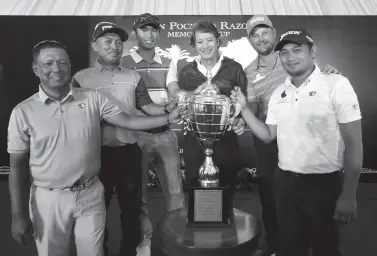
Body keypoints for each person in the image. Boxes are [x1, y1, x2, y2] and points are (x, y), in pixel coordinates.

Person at [8, 40, 182, 256]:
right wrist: (18, 215)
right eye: (48, 63)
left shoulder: (92, 98)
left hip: (90, 194)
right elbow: (17, 168)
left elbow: (127, 120)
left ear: (69, 66)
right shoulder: (22, 112)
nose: (56, 69)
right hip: (48, 199)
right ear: (36, 69)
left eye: (62, 63)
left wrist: (168, 118)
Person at [232, 28, 363, 256]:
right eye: (284, 53)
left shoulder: (337, 84)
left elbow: (354, 144)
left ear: (313, 51)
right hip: (285, 185)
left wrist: (349, 194)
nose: (290, 57)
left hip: (324, 185)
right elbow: (266, 135)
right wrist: (243, 108)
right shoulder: (279, 92)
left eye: (297, 50)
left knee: (326, 248)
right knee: (291, 247)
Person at [71, 21, 180, 256]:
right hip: (96, 156)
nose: (114, 46)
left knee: (131, 211)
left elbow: (147, 106)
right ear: (95, 45)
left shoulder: (132, 76)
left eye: (119, 42)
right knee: (96, 210)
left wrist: (169, 111)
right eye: (107, 42)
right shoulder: (80, 79)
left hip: (130, 152)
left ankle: (129, 251)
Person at [167, 20, 247, 216]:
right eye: (200, 42)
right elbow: (181, 101)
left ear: (218, 41)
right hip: (194, 140)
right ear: (194, 45)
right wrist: (191, 98)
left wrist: (239, 119)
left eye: (209, 40)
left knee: (226, 191)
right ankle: (200, 238)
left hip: (226, 139)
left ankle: (225, 234)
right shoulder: (186, 71)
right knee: (196, 191)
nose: (205, 46)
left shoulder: (234, 68)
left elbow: (242, 103)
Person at [120, 13, 185, 256]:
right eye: (144, 29)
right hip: (139, 136)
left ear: (159, 33)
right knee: (141, 193)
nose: (150, 34)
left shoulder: (169, 61)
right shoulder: (124, 62)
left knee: (175, 191)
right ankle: (144, 240)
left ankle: (174, 237)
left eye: (154, 30)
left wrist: (177, 101)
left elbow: (173, 88)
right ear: (135, 32)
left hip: (166, 134)